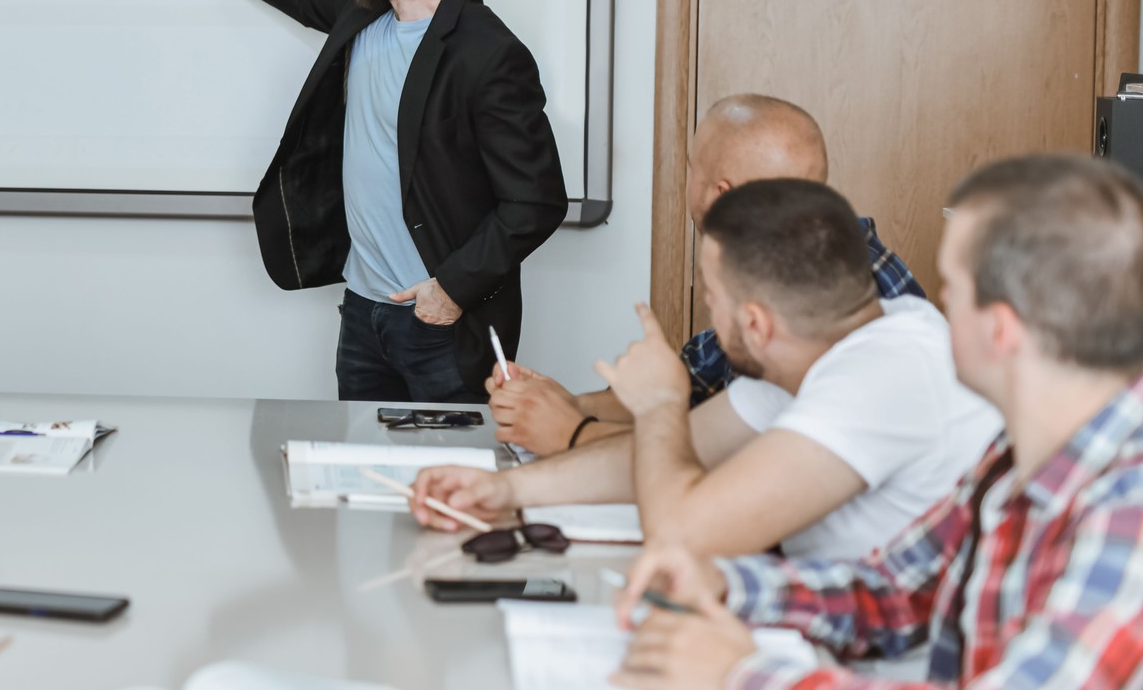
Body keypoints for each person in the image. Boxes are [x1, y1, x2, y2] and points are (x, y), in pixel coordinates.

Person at [609, 154, 1143, 690]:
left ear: (999, 331)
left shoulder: (1127, 510)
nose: (931, 305)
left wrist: (738, 678)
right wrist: (732, 584)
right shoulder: (1019, 459)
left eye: (951, 289)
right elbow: (894, 591)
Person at [412, 180, 998, 561]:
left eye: (713, 297)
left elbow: (681, 532)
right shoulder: (828, 344)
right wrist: (502, 489)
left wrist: (662, 402)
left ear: (758, 324)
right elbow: (669, 454)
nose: (706, 313)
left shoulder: (885, 373)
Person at [175, 0, 567, 403]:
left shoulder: (490, 54)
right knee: (356, 472)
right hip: (361, 315)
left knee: (449, 481)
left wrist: (451, 291)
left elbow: (536, 202)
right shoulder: (362, 15)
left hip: (442, 325)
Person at [490, 93, 924, 455]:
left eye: (691, 166)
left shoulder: (846, 306)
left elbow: (728, 467)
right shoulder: (780, 265)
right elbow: (692, 389)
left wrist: (571, 432)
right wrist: (566, 405)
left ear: (722, 193)